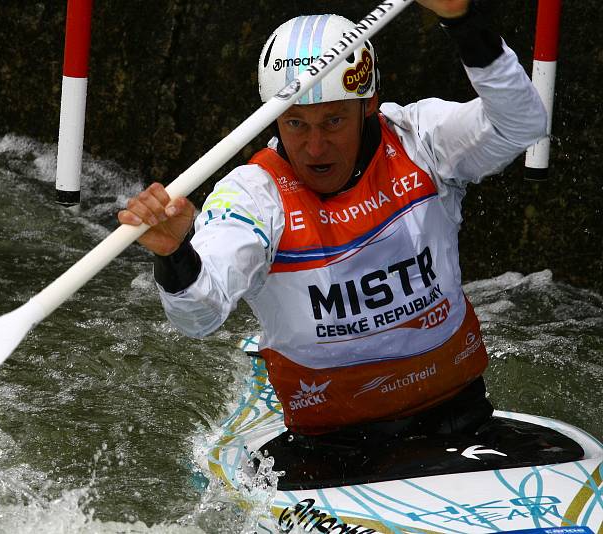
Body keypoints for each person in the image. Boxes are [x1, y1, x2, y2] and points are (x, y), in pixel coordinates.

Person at [118, 0, 547, 458]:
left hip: (461, 422)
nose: (314, 146)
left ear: (369, 107)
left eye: (334, 121)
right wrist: (174, 252)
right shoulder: (251, 195)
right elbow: (199, 316)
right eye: (296, 124)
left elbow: (523, 123)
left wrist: (462, 20)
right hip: (333, 449)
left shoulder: (421, 139)